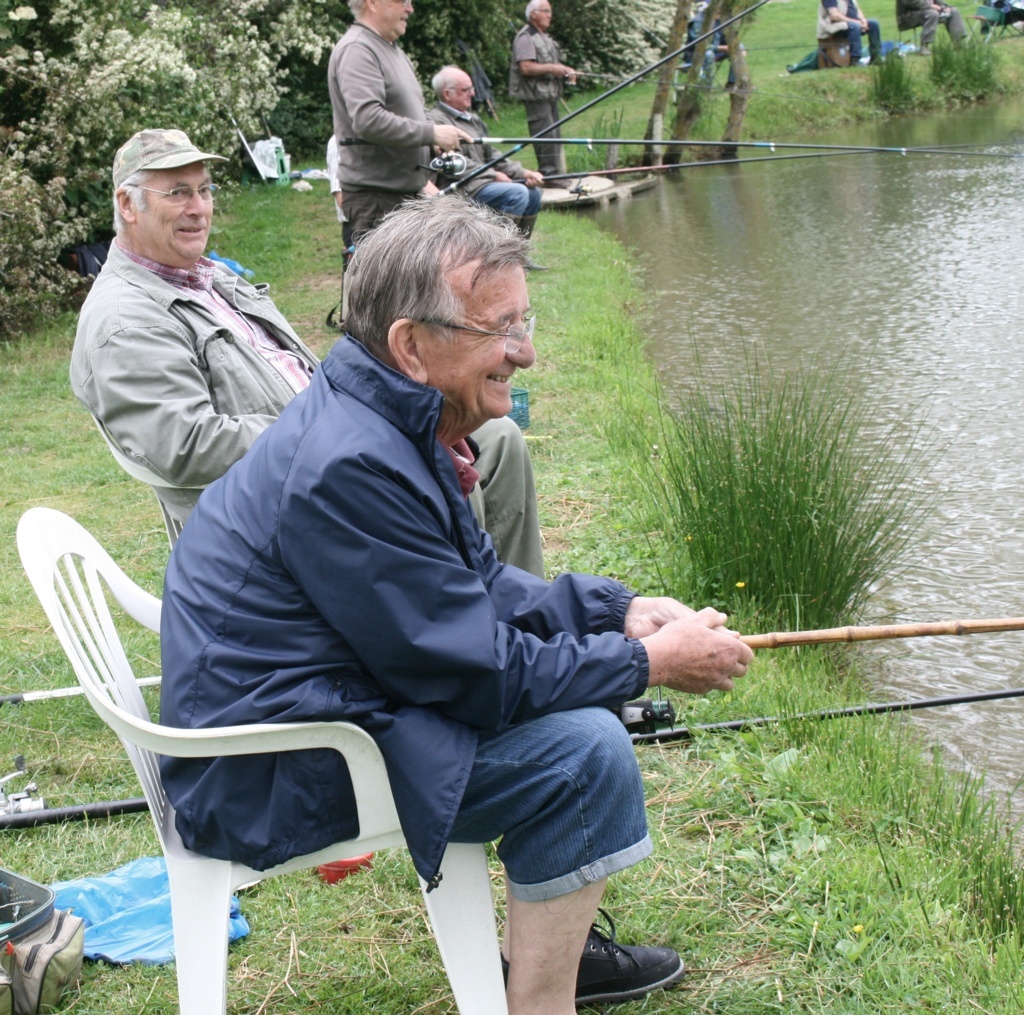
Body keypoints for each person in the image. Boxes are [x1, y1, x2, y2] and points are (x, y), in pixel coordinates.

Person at [158, 196, 753, 1012]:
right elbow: (474, 673)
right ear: (411, 344)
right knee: (585, 752)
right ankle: (538, 998)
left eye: (525, 319)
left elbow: (470, 585)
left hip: (317, 709)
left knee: (584, 711)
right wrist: (646, 664)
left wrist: (614, 612)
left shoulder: (387, 416)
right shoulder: (352, 465)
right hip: (269, 768)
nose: (527, 352)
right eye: (498, 330)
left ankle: (534, 966)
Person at [70, 128, 544, 577]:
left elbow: (299, 375)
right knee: (442, 462)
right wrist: (336, 434)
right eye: (177, 192)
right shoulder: (123, 320)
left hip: (325, 456)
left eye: (205, 189)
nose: (199, 207)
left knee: (495, 436)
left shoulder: (210, 278)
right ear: (127, 206)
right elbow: (184, 447)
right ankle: (474, 632)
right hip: (276, 510)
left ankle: (515, 618)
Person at [327, 0, 472, 244]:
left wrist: (429, 144)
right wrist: (431, 134)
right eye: (402, 1)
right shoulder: (358, 50)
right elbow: (368, 120)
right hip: (376, 199)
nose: (410, 8)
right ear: (372, 3)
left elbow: (409, 113)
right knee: (383, 283)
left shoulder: (391, 49)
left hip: (403, 193)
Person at [428, 65, 544, 236]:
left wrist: (522, 172)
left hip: (483, 183)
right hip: (460, 188)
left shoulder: (473, 119)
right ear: (447, 94)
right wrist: (493, 175)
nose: (473, 94)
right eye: (466, 90)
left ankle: (519, 255)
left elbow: (493, 154)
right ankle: (499, 251)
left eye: (471, 88)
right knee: (517, 193)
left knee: (533, 193)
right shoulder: (437, 121)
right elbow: (453, 162)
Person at [509, 0, 576, 184]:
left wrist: (565, 70)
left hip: (549, 95)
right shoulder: (526, 37)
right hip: (535, 97)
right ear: (533, 14)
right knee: (546, 135)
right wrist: (553, 69)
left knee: (555, 134)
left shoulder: (544, 37)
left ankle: (555, 174)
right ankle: (550, 175)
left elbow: (549, 65)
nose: (549, 15)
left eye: (550, 11)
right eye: (545, 11)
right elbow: (526, 67)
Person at [818, 0, 883, 64]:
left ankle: (876, 57)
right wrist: (856, 22)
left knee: (873, 24)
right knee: (854, 26)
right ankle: (855, 60)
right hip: (833, 27)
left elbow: (857, 9)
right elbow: (834, 16)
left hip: (850, 24)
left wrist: (863, 20)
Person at [896, 0, 967, 53]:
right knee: (932, 14)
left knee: (954, 11)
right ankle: (924, 46)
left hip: (927, 11)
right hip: (907, 16)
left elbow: (938, 1)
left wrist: (944, 7)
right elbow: (910, 2)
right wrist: (931, 6)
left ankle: (958, 43)